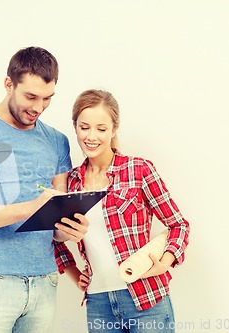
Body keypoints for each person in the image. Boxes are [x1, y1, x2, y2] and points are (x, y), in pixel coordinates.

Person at [0, 46, 90, 333]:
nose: (38, 107)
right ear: (8, 84)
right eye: (31, 96)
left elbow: (54, 224)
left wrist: (71, 229)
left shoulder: (57, 142)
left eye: (47, 98)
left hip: (44, 280)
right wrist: (33, 206)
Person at [54, 89, 190, 332]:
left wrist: (164, 263)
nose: (91, 136)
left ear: (114, 129)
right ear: (75, 127)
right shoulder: (70, 181)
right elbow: (54, 237)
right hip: (98, 303)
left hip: (146, 299)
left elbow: (178, 225)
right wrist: (76, 275)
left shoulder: (139, 170)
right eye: (84, 127)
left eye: (101, 128)